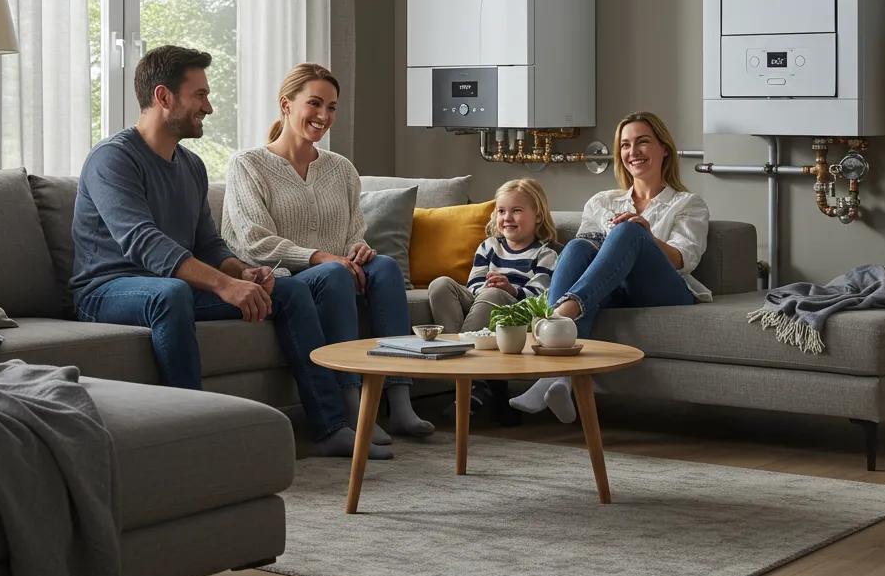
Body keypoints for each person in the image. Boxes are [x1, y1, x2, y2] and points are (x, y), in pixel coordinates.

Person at [71, 46, 382, 460]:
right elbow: (143, 241)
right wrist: (224, 286)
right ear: (163, 97)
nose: (209, 107)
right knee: (170, 294)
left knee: (289, 291)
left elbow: (208, 244)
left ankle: (330, 426)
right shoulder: (113, 159)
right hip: (107, 290)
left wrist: (243, 272)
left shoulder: (191, 165)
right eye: (199, 95)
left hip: (171, 285)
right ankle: (194, 434)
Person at [222, 62, 434, 448]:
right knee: (335, 274)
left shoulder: (341, 169)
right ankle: (352, 409)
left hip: (335, 268)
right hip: (282, 276)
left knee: (385, 267)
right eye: (315, 103)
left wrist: (356, 249)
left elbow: (353, 231)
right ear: (286, 104)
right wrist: (321, 257)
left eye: (332, 107)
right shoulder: (248, 164)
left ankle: (401, 403)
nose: (324, 115)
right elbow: (254, 242)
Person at [510, 111, 710, 423]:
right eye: (625, 145)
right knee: (577, 246)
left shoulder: (687, 203)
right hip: (612, 288)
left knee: (630, 230)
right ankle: (560, 379)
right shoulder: (602, 202)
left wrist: (645, 235)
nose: (633, 151)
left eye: (643, 142)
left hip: (663, 290)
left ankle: (559, 315)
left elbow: (684, 259)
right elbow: (586, 254)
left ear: (664, 149)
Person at [428, 178, 558, 333]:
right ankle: (451, 340)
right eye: (501, 211)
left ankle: (467, 341)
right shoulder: (488, 246)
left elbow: (540, 295)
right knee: (440, 284)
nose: (507, 217)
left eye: (516, 210)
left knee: (494, 294)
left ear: (538, 216)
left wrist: (511, 290)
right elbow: (473, 284)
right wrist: (486, 287)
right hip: (480, 298)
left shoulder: (545, 254)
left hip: (513, 310)